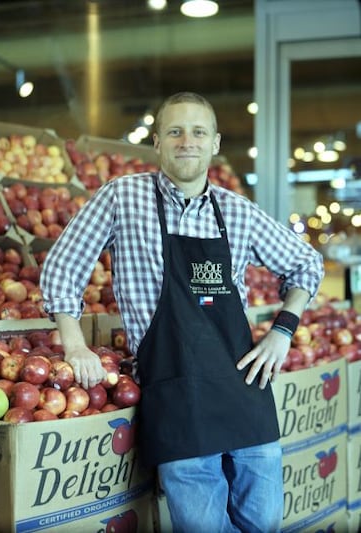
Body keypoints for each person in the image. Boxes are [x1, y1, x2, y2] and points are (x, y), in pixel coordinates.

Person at [40, 91, 324, 533]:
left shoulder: (237, 211)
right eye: (175, 131)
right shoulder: (122, 198)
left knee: (264, 521)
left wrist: (283, 330)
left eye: (197, 132)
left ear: (214, 143)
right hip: (175, 394)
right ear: (157, 142)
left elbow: (306, 263)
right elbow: (63, 266)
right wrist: (75, 346)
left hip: (244, 389)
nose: (186, 141)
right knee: (201, 526)